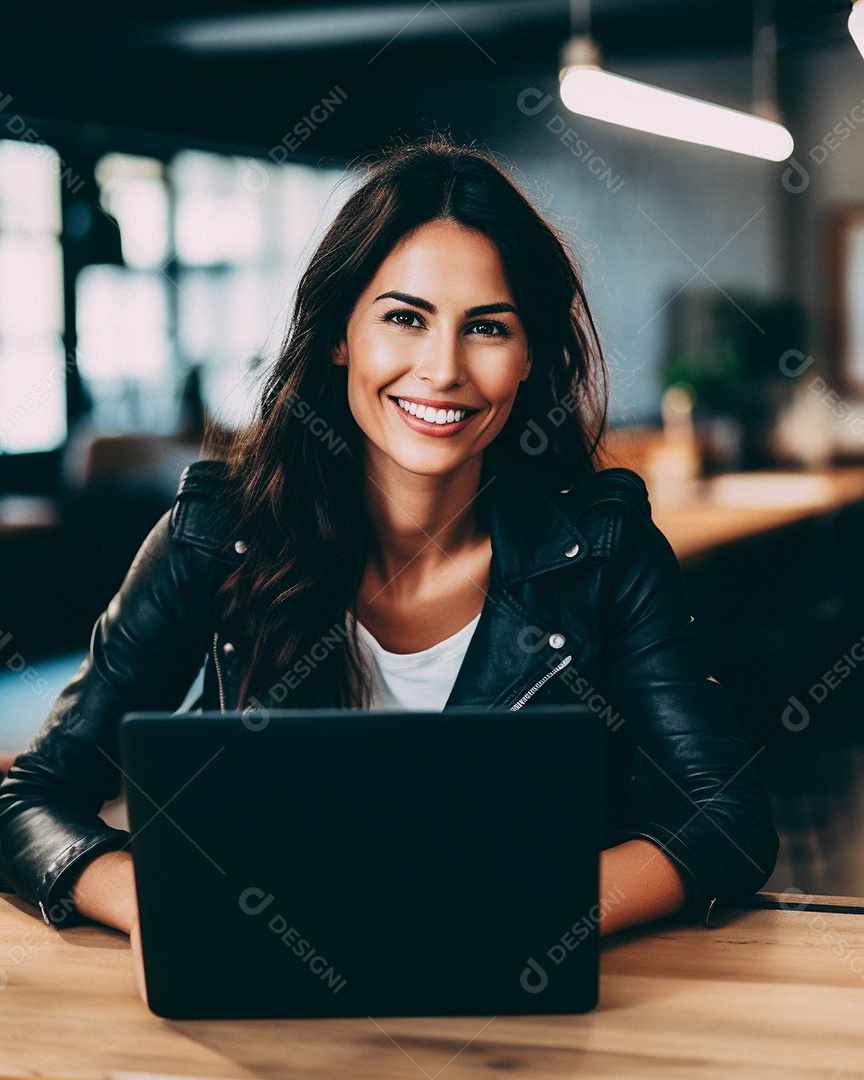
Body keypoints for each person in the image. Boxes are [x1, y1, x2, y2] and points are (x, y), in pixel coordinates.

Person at [0, 134, 778, 958]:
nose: (441, 369)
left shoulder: (607, 551)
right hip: (271, 992)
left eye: (486, 327)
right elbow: (30, 800)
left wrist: (537, 913)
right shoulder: (214, 536)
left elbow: (725, 816)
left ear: (528, 359)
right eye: (405, 318)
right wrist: (162, 904)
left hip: (518, 1007)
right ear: (340, 335)